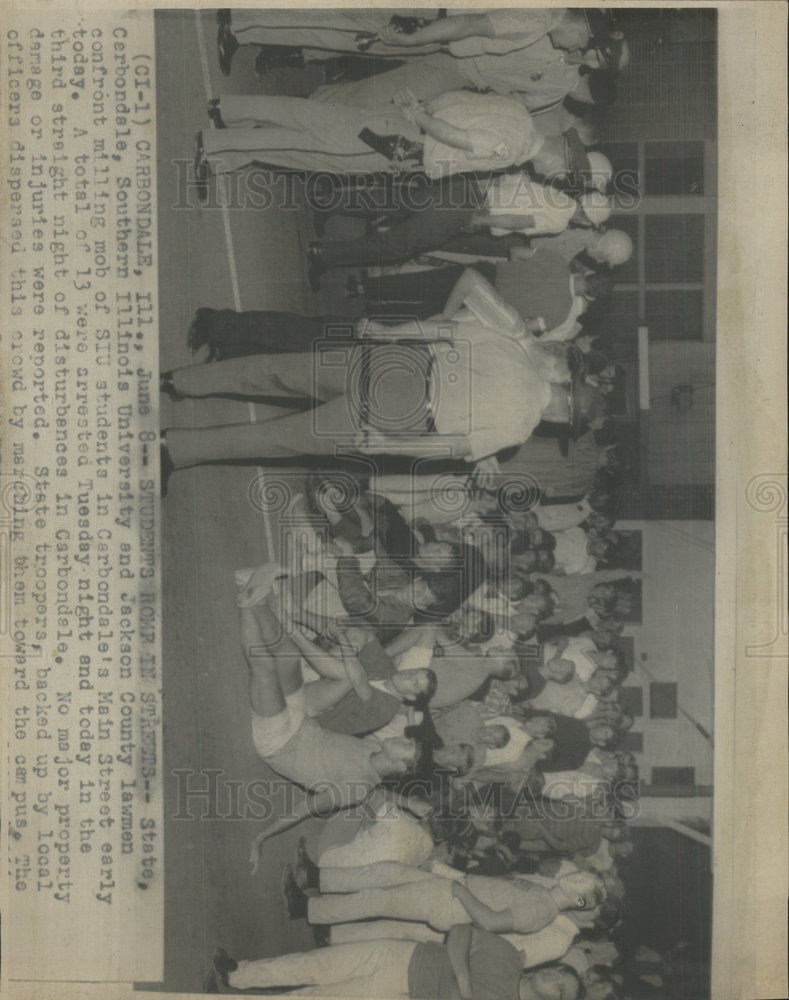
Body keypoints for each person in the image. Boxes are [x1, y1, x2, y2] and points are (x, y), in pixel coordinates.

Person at [159, 271, 582, 487]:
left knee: (282, 370)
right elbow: (452, 445)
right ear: (562, 415)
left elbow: (445, 329)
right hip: (404, 415)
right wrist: (391, 445)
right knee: (280, 437)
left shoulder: (514, 341)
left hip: (399, 361)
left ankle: (179, 380)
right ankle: (172, 447)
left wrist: (389, 333)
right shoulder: (522, 425)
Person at [236, 601, 425, 868]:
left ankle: (246, 600)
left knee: (264, 668)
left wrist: (261, 837)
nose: (403, 738)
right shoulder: (370, 750)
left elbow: (305, 809)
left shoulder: (357, 789)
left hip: (280, 743)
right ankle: (259, 600)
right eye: (409, 739)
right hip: (302, 720)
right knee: (288, 655)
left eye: (407, 746)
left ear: (401, 766)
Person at [195, 88, 558, 185]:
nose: (557, 179)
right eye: (564, 174)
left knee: (312, 120)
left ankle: (226, 108)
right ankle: (213, 146)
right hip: (404, 145)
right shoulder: (514, 149)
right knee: (307, 141)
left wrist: (421, 109)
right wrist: (421, 124)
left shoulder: (522, 115)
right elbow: (459, 138)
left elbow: (461, 99)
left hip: (403, 121)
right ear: (562, 159)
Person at [310, 10, 629, 112]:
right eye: (602, 54)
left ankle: (307, 106)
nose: (597, 60)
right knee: (370, 37)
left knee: (376, 95)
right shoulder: (553, 25)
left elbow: (519, 103)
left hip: (459, 71)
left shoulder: (561, 80)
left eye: (604, 65)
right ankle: (299, 48)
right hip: (449, 34)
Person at [309, 174, 612, 278]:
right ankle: (322, 255)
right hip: (468, 210)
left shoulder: (556, 190)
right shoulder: (560, 220)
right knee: (396, 245)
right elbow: (519, 221)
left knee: (394, 202)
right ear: (587, 220)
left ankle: (327, 201)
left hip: (464, 189)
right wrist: (480, 220)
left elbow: (512, 179)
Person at [210, 931, 583, 999]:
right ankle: (237, 974)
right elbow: (460, 932)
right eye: (563, 972)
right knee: (312, 964)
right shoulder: (507, 956)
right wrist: (464, 982)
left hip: (398, 993)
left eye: (561, 988)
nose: (556, 976)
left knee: (311, 997)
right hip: (404, 955)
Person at [298, 859, 605, 935]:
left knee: (376, 900)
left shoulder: (541, 912)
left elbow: (492, 922)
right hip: (454, 887)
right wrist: (455, 877)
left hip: (452, 902)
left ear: (580, 902)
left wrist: (461, 892)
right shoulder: (544, 891)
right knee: (386, 872)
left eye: (580, 882)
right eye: (581, 874)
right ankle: (317, 877)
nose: (574, 874)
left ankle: (307, 908)